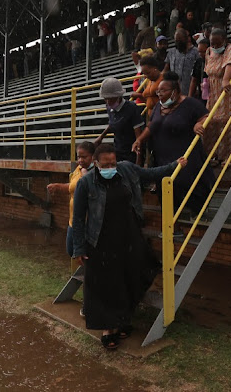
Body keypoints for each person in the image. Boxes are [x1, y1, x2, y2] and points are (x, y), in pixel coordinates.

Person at [71, 143, 187, 349]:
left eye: (113, 163)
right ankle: (108, 330)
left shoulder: (126, 169)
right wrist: (79, 248)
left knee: (130, 278)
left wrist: (174, 165)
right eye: (105, 164)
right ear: (95, 163)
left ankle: (123, 320)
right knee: (106, 286)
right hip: (100, 241)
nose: (110, 167)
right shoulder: (86, 183)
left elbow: (150, 173)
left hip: (129, 237)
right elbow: (79, 218)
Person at [131, 71, 215, 214]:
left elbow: (206, 116)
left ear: (174, 91)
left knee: (188, 186)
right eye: (158, 91)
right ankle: (173, 226)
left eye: (163, 91)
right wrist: (139, 139)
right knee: (166, 190)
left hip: (185, 157)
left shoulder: (190, 103)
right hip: (162, 158)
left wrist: (198, 124)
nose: (159, 94)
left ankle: (195, 217)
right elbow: (151, 126)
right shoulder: (158, 106)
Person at [47, 142, 96, 258]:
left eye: (84, 157)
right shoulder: (78, 169)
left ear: (93, 156)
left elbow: (91, 190)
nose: (80, 160)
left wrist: (85, 175)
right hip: (73, 221)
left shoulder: (96, 171)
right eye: (79, 157)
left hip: (88, 223)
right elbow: (72, 187)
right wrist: (57, 186)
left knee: (86, 254)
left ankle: (89, 274)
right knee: (71, 251)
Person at [202, 29, 231, 163]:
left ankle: (228, 156)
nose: (214, 47)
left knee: (228, 122)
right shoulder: (208, 52)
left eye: (217, 44)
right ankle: (212, 155)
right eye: (212, 44)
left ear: (224, 40)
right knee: (210, 122)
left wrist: (225, 79)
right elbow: (207, 71)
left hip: (230, 89)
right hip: (214, 91)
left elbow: (230, 64)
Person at [94, 78, 144, 164]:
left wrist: (138, 160)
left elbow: (138, 136)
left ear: (119, 96)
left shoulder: (131, 108)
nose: (108, 102)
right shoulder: (109, 107)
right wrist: (101, 137)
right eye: (106, 99)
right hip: (118, 150)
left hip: (131, 152)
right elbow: (112, 122)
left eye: (111, 99)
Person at [164, 28, 199, 96]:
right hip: (175, 91)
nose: (178, 42)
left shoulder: (196, 52)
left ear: (186, 39)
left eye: (180, 40)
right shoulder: (171, 53)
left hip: (191, 90)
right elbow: (166, 69)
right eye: (176, 40)